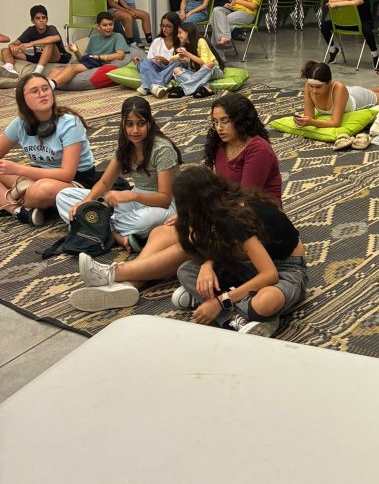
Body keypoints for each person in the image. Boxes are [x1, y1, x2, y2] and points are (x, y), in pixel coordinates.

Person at [69, 96, 281, 313]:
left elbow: (244, 202)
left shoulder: (258, 150)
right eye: (215, 122)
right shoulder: (221, 146)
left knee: (188, 243)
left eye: (225, 121)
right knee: (161, 232)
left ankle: (114, 273)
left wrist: (204, 222)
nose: (219, 128)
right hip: (229, 217)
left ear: (241, 120)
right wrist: (194, 216)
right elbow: (220, 193)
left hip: (253, 227)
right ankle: (130, 285)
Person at [172, 167, 308, 337]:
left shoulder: (236, 216)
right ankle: (239, 314)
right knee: (186, 269)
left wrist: (220, 302)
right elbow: (223, 247)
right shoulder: (219, 209)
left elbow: (270, 275)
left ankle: (233, 309)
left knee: (265, 302)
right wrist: (207, 265)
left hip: (287, 270)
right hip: (251, 266)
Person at [57, 96, 180, 256]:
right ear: (123, 124)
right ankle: (115, 234)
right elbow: (105, 183)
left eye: (141, 124)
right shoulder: (125, 147)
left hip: (163, 207)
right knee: (63, 196)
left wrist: (132, 196)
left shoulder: (162, 149)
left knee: (142, 222)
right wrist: (85, 203)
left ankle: (89, 225)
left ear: (149, 123)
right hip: (133, 202)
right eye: (129, 124)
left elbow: (164, 199)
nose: (135, 130)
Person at [0, 73, 96, 226]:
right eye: (34, 91)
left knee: (40, 191)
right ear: (22, 99)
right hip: (38, 176)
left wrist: (19, 170)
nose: (42, 94)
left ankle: (17, 195)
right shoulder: (20, 124)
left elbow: (67, 174)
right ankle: (19, 211)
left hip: (75, 180)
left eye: (45, 88)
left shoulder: (70, 123)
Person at [296, 60, 379, 133]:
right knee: (354, 90)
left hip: (357, 98)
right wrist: (303, 121)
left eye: (318, 87)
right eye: (311, 86)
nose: (314, 91)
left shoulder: (338, 88)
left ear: (329, 83)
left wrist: (313, 123)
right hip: (346, 93)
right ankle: (378, 90)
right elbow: (308, 116)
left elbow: (336, 123)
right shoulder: (308, 85)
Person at [48, 12, 130, 90]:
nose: (108, 27)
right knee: (55, 70)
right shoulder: (94, 38)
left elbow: (120, 55)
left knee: (72, 68)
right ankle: (47, 85)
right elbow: (83, 59)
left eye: (110, 24)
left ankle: (49, 86)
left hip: (99, 63)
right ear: (98, 26)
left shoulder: (118, 36)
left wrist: (99, 57)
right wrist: (76, 51)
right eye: (105, 25)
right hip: (90, 61)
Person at [322, 0, 378, 67]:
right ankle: (333, 50)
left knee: (367, 30)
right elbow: (331, 0)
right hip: (349, 23)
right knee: (324, 25)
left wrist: (336, 4)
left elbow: (355, 3)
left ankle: (375, 55)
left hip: (364, 22)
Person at [162, 22, 225, 99]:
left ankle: (182, 89)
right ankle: (205, 87)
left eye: (180, 33)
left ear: (187, 32)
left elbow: (205, 62)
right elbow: (175, 58)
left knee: (209, 63)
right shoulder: (187, 45)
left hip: (214, 71)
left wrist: (187, 54)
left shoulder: (201, 41)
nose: (178, 36)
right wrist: (182, 59)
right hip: (199, 73)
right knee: (176, 70)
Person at [2, 5, 68, 77]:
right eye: (37, 18)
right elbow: (14, 43)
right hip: (38, 57)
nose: (41, 20)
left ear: (47, 20)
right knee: (5, 50)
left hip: (56, 57)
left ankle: (37, 72)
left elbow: (57, 38)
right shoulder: (30, 30)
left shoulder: (51, 28)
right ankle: (9, 68)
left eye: (43, 18)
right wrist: (12, 47)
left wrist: (31, 43)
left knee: (49, 43)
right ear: (33, 21)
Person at [137, 12, 182, 98]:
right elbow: (150, 60)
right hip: (156, 69)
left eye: (168, 26)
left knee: (177, 63)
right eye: (162, 26)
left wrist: (166, 62)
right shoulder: (157, 41)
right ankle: (156, 86)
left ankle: (147, 86)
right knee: (143, 61)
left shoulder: (181, 41)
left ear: (176, 27)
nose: (164, 29)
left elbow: (184, 63)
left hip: (170, 70)